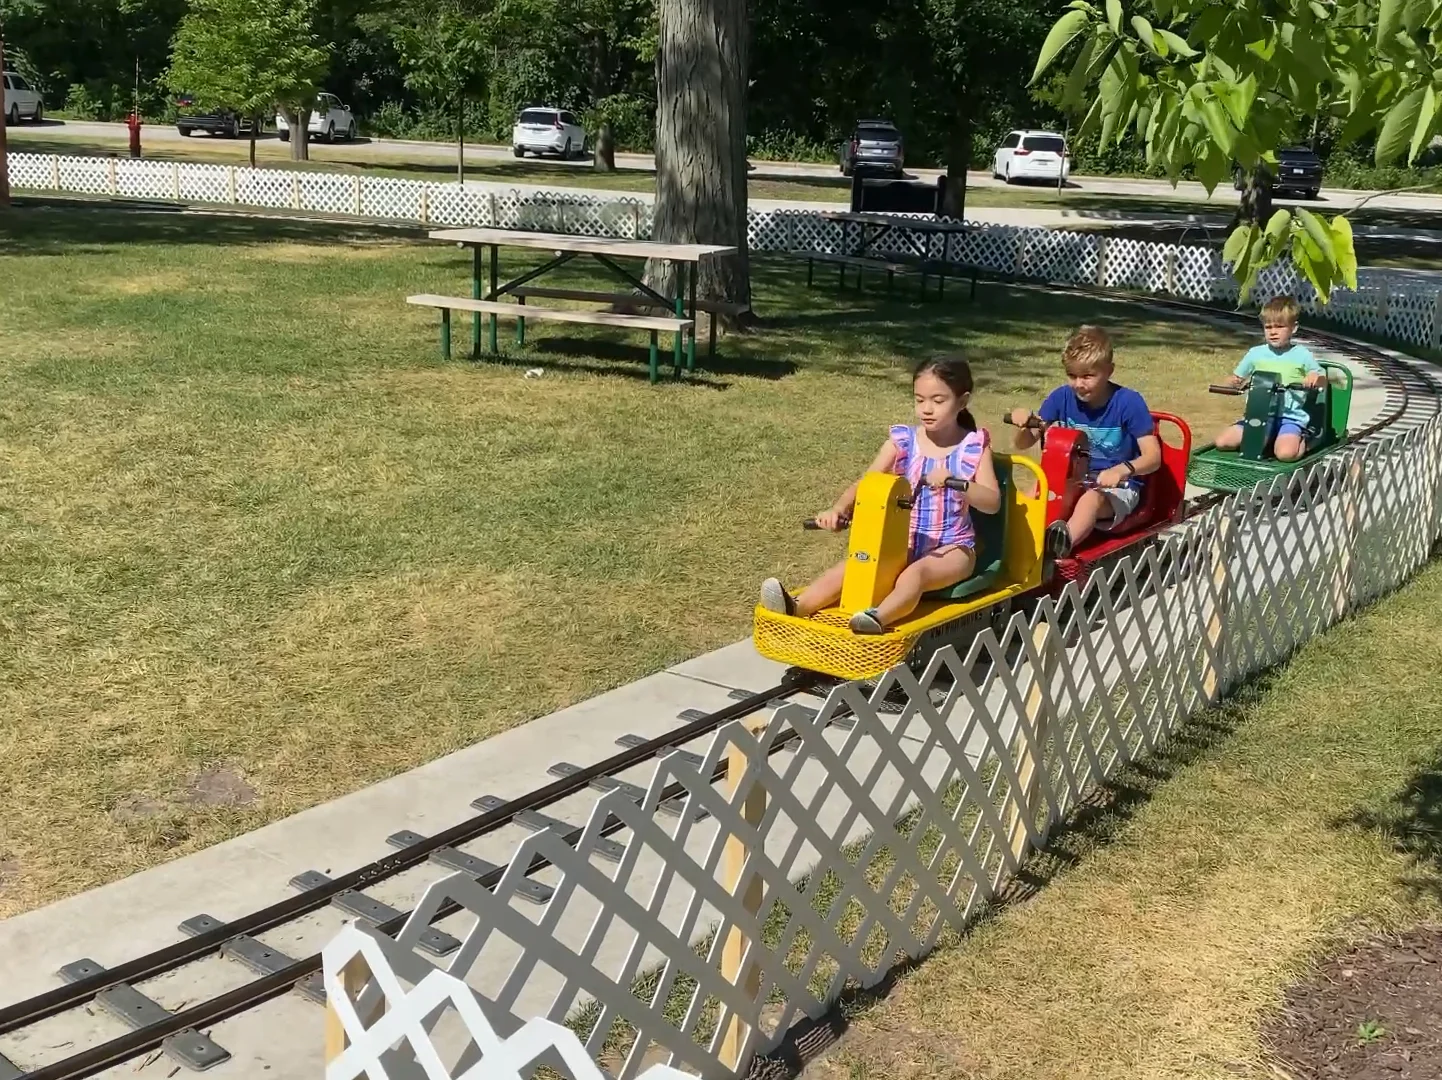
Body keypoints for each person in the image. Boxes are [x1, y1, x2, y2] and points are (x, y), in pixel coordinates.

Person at [758, 356, 1003, 635]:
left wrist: (955, 482)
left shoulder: (972, 446)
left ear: (962, 402)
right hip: (902, 541)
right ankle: (796, 606)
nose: (926, 409)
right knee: (856, 564)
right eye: (919, 400)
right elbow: (867, 482)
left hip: (953, 548)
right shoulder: (904, 441)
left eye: (938, 400)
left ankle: (877, 618)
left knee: (916, 574)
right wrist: (839, 509)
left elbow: (992, 502)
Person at [1009, 325, 1161, 555]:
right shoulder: (1062, 397)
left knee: (1090, 500)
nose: (1079, 383)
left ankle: (1057, 549)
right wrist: (1024, 424)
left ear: (1109, 370)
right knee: (1036, 492)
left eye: (1088, 376)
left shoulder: (1128, 402)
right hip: (1074, 479)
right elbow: (1024, 443)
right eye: (1072, 375)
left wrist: (1122, 470)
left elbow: (1154, 457)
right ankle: (1015, 542)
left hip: (1118, 486)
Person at [1211, 295, 1326, 462]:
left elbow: (1322, 379)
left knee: (1286, 454)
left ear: (1293, 328)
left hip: (1290, 417)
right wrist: (1233, 382)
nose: (1273, 332)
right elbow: (1236, 378)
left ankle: (1307, 440)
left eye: (1279, 327)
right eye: (1268, 327)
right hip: (1258, 414)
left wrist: (1315, 377)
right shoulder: (1255, 354)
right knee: (1222, 442)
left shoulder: (1302, 355)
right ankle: (1270, 439)